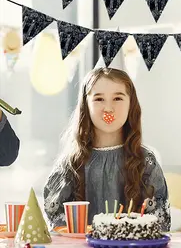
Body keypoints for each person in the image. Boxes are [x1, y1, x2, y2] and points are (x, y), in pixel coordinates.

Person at [44, 67, 170, 231]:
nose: (108, 108)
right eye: (99, 99)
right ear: (86, 106)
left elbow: (159, 222)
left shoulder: (145, 160)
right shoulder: (71, 163)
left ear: (131, 104)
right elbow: (57, 221)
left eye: (117, 98)